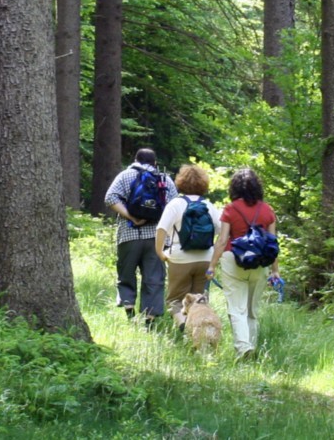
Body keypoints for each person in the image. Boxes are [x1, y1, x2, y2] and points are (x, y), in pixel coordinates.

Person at [209, 168, 280, 360]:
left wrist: (212, 266)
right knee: (251, 310)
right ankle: (252, 346)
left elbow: (223, 240)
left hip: (233, 259)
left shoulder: (230, 209)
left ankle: (243, 348)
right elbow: (272, 243)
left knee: (236, 308)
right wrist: (275, 271)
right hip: (259, 263)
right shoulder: (268, 210)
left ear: (234, 187)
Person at [104, 149, 173, 321]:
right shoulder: (164, 179)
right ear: (154, 163)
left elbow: (110, 198)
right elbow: (174, 204)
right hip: (156, 237)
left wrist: (131, 217)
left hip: (128, 234)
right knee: (154, 277)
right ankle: (149, 320)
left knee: (126, 273)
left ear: (135, 160)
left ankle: (129, 309)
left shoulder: (125, 176)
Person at [155, 164, 223, 326]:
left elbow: (161, 229)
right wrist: (215, 259)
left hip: (179, 258)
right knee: (200, 300)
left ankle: (182, 324)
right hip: (205, 259)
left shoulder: (175, 204)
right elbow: (222, 232)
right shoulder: (209, 206)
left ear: (181, 182)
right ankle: (199, 332)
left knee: (175, 299)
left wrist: (160, 252)